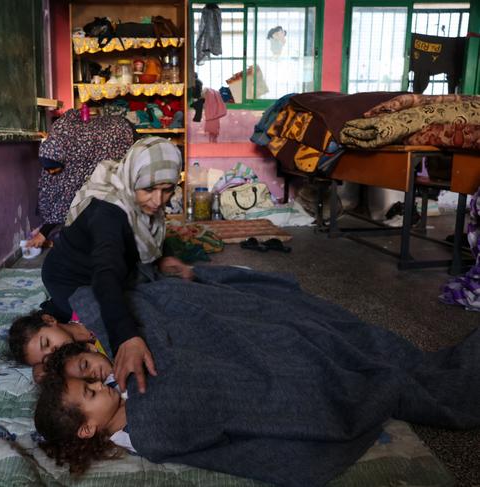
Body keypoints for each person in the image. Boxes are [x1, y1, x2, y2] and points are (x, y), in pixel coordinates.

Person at [33, 265, 480, 487]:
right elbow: (201, 400)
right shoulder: (146, 427)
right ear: (87, 427)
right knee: (311, 365)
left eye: (91, 378)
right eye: (92, 391)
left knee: (284, 330)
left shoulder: (122, 392)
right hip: (246, 391)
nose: (102, 383)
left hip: (206, 354)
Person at [28, 137, 193, 394]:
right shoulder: (109, 212)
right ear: (132, 177)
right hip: (68, 277)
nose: (159, 200)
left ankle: (55, 312)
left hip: (97, 262)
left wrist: (165, 257)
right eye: (149, 189)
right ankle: (54, 320)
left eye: (168, 189)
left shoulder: (137, 196)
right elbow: (105, 275)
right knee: (96, 318)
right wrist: (126, 337)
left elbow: (146, 237)